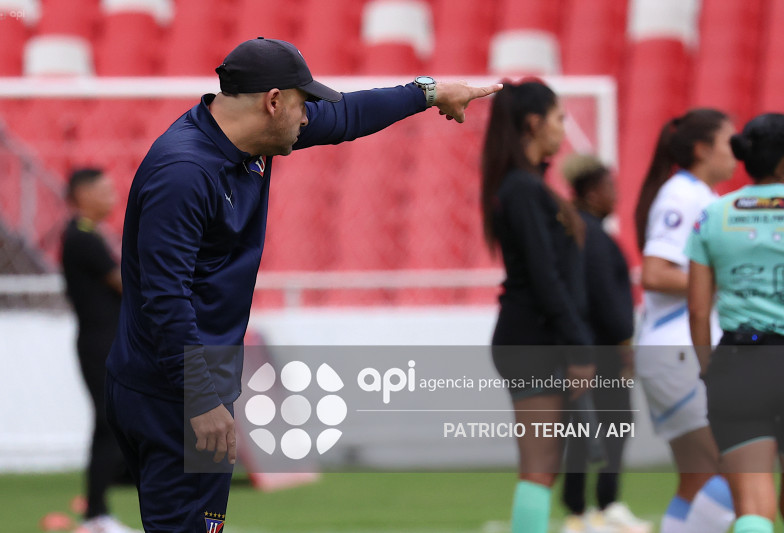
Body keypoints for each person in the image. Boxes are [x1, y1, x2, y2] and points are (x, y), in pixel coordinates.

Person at [104, 37, 501, 533]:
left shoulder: (249, 139)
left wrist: (429, 92)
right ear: (273, 102)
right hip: (172, 393)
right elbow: (165, 297)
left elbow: (349, 116)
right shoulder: (183, 173)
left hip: (198, 384)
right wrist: (201, 399)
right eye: (303, 103)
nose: (309, 117)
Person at [481, 80, 595, 533]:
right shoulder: (523, 190)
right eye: (559, 118)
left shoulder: (525, 186)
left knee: (543, 466)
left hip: (535, 336)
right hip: (532, 339)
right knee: (539, 465)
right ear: (534, 123)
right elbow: (546, 278)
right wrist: (580, 347)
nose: (563, 128)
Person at [633, 109, 737, 533]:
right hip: (680, 349)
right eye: (729, 142)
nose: (737, 152)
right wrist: (727, 281)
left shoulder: (698, 195)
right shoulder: (682, 195)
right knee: (735, 472)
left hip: (674, 350)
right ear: (702, 149)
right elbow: (655, 273)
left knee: (697, 480)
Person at [686, 113, 784, 533]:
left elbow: (697, 309)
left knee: (754, 504)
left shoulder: (713, 214)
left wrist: (707, 367)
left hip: (738, 364)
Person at [560, 155, 650, 533]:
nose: (616, 195)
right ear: (593, 193)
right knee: (615, 423)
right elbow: (608, 301)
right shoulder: (595, 238)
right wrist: (624, 343)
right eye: (610, 188)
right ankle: (606, 504)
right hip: (601, 350)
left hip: (576, 346)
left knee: (580, 427)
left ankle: (577, 509)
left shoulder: (573, 232)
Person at [61, 168, 138, 533]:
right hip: (99, 343)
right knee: (108, 422)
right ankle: (96, 514)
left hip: (106, 340)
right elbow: (125, 285)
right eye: (104, 190)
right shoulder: (82, 237)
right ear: (83, 194)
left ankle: (99, 510)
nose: (112, 196)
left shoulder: (90, 235)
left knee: (112, 422)